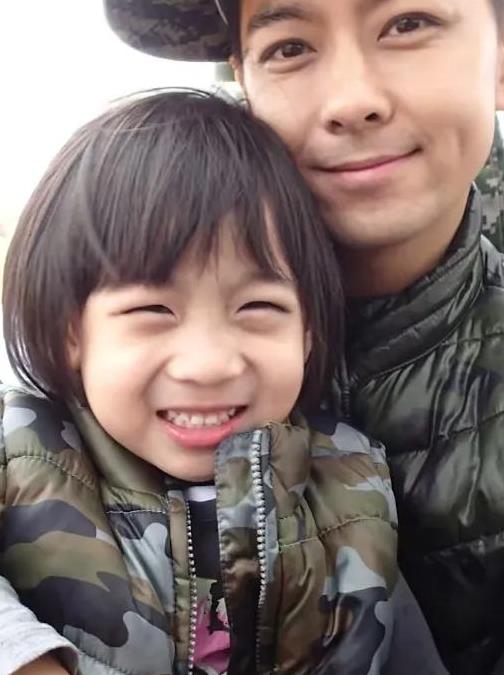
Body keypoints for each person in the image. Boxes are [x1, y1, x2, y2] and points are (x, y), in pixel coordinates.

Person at [102, 1, 504, 674]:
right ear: (244, 81)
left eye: (408, 24)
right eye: (289, 48)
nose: (352, 102)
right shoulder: (110, 350)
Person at [0, 89, 399, 674]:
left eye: (258, 307)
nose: (209, 364)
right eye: (153, 311)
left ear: (308, 333)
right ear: (70, 332)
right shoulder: (20, 453)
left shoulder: (353, 489)